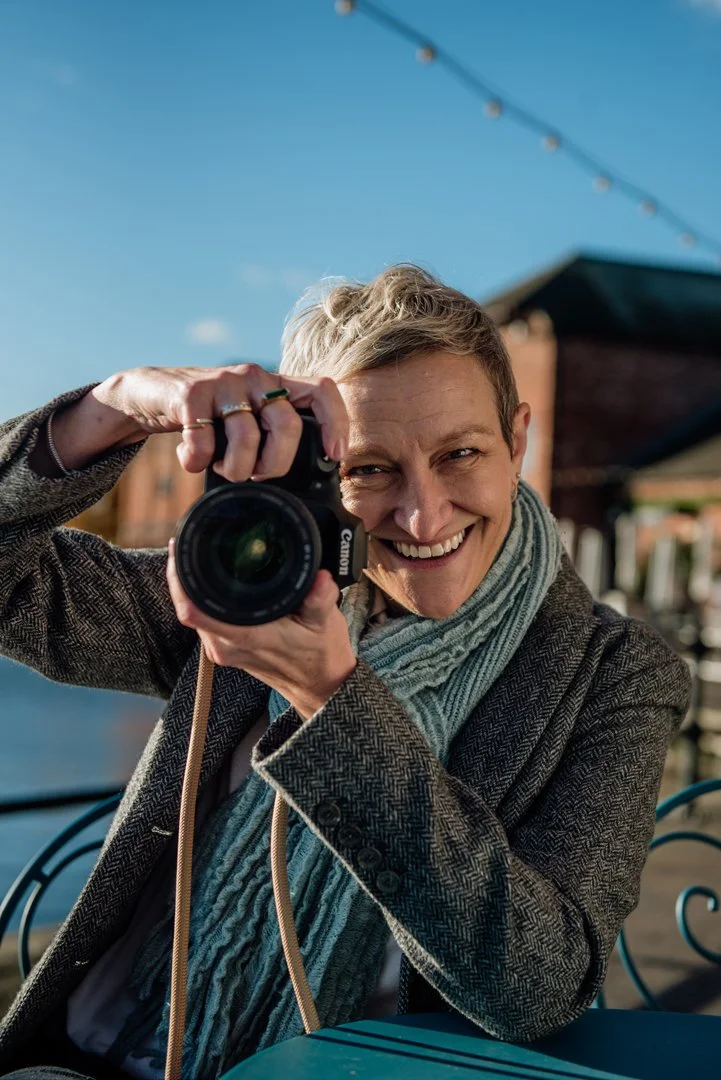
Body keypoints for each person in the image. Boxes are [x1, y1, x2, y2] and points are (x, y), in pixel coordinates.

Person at [0, 265, 690, 1080]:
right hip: (109, 1056)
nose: (422, 514)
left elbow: (538, 987)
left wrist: (332, 703)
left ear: (517, 441)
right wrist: (107, 409)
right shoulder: (247, 589)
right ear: (317, 473)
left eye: (459, 453)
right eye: (369, 470)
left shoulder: (613, 673)